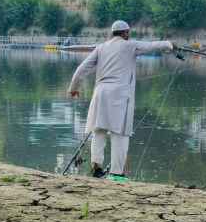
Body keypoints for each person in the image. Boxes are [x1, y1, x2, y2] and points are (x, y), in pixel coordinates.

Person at [68, 20, 174, 182]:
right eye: (128, 33)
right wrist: (169, 44)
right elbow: (152, 45)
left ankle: (96, 169)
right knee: (120, 134)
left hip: (100, 93)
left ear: (112, 33)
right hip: (119, 95)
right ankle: (117, 174)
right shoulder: (130, 45)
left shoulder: (101, 48)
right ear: (125, 33)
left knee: (99, 131)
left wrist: (73, 88)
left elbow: (81, 69)